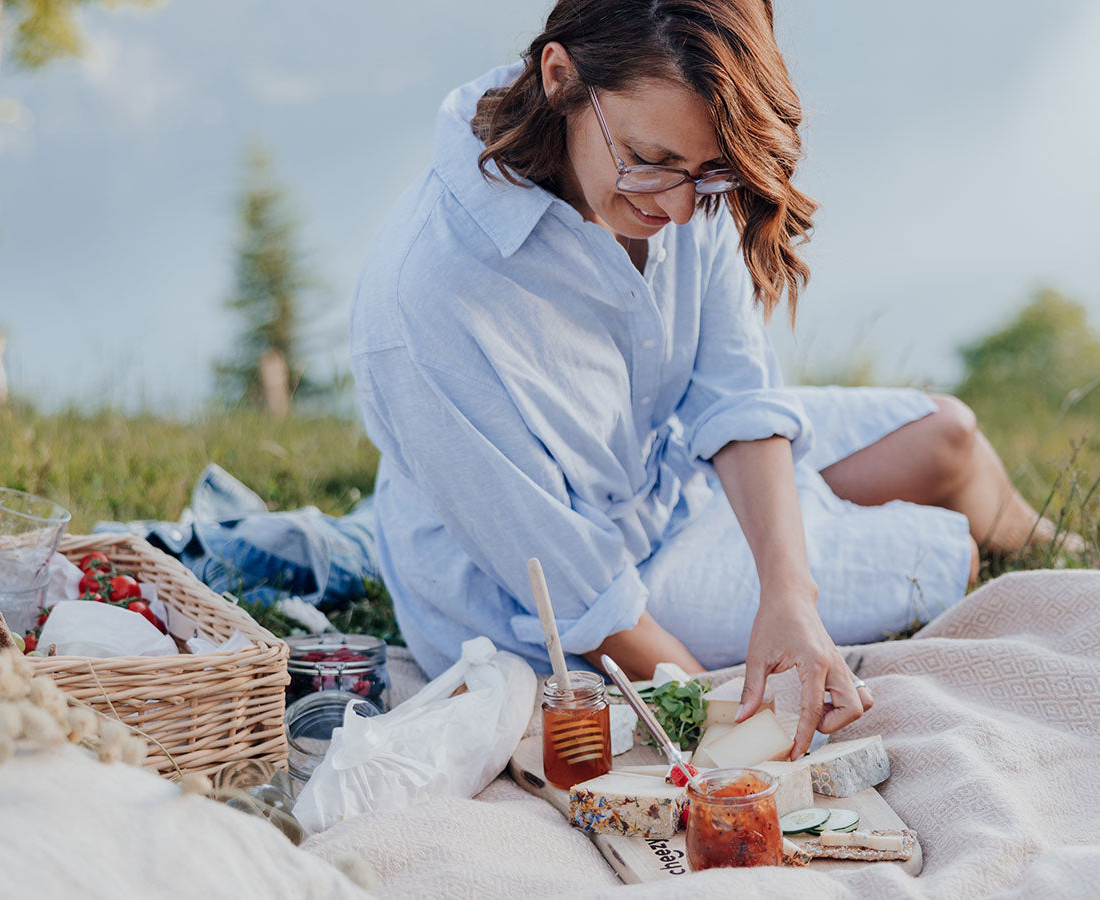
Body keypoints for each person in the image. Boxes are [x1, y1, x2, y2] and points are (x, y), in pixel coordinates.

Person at [351, 0, 1060, 758]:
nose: (685, 210)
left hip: (664, 469)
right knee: (944, 556)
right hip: (573, 598)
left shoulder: (677, 150)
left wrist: (789, 594)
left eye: (709, 173)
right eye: (651, 161)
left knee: (948, 438)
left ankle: (1060, 544)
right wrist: (737, 738)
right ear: (560, 77)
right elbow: (587, 604)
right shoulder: (429, 297)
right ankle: (982, 556)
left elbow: (734, 396)